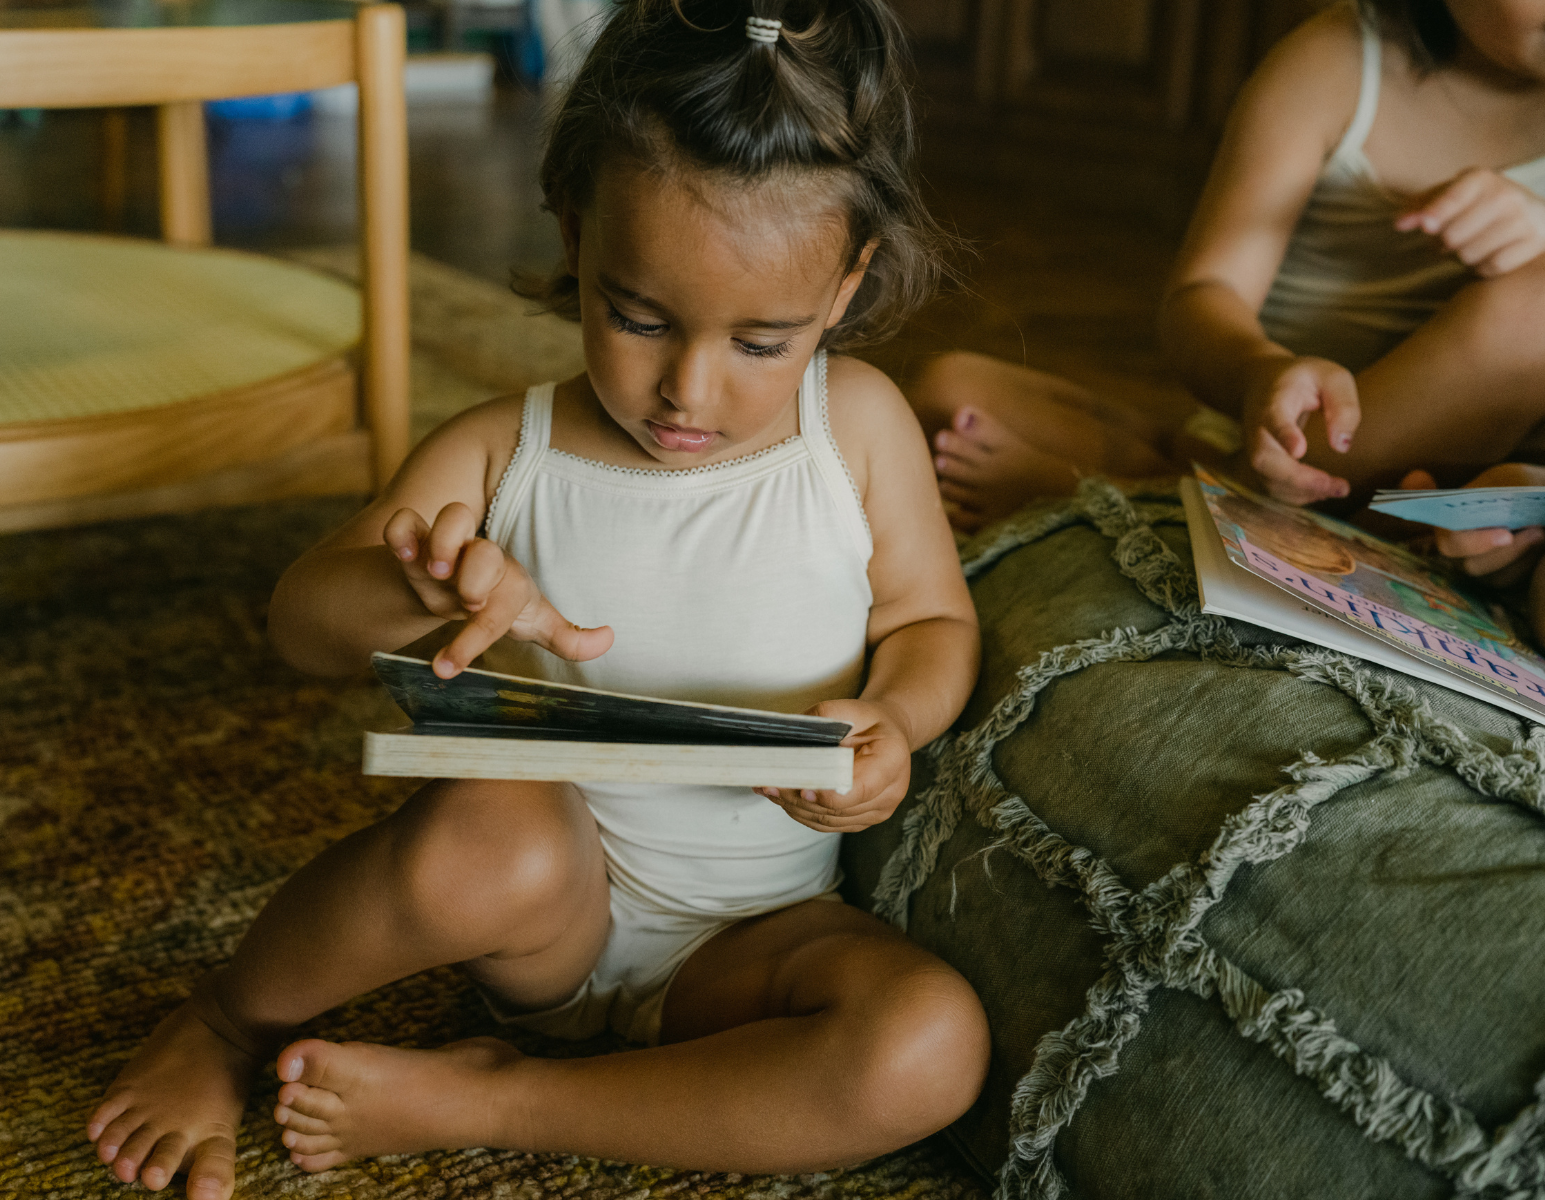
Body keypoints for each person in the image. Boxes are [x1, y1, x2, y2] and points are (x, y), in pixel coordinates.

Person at [83, 2, 990, 1196]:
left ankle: (489, 1097)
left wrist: (896, 725)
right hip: (548, 917)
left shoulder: (857, 427)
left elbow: (931, 624)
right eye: (637, 316)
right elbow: (299, 627)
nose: (688, 391)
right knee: (493, 837)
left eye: (762, 342)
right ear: (574, 233)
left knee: (931, 1046)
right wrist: (416, 580)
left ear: (845, 287)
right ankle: (222, 1022)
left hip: (754, 944)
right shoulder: (501, 455)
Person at [911, 0, 1545, 531]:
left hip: (1443, 486)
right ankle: (1190, 487)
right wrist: (1260, 374)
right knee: (947, 391)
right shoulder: (1339, 63)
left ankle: (1166, 498)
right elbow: (1205, 293)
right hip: (1268, 437)